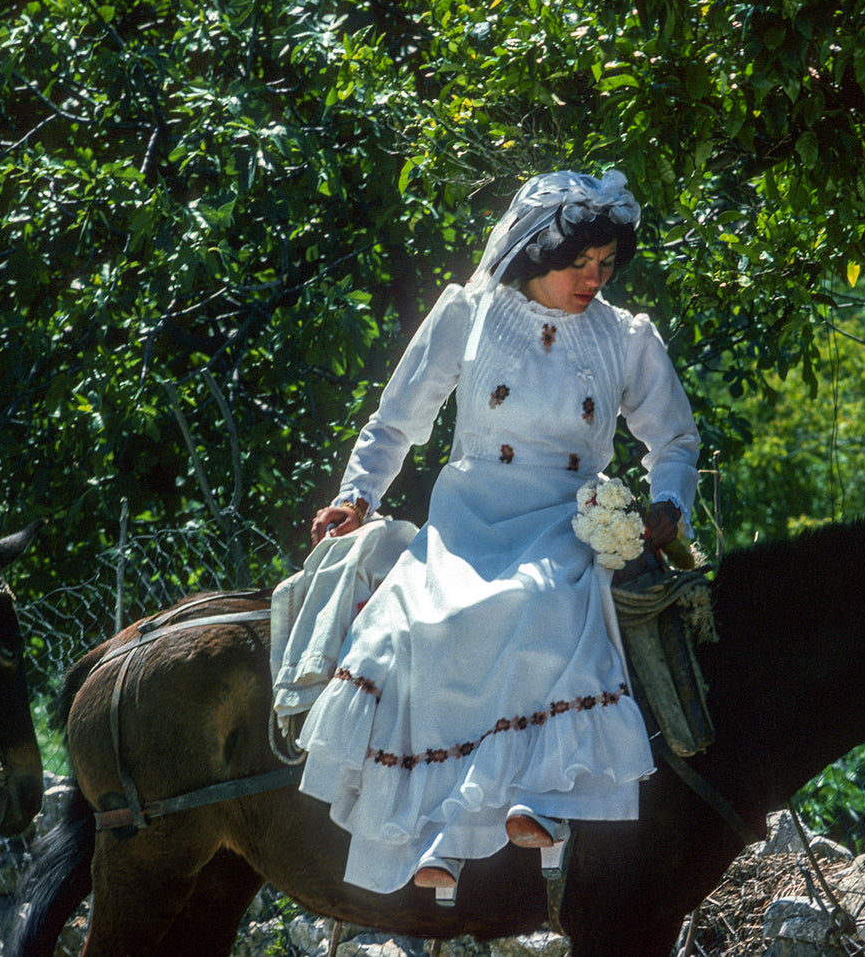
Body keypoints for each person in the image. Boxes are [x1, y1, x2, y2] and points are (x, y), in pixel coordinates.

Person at [293, 170, 701, 896]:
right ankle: (429, 835)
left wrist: (668, 499)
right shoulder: (469, 315)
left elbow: (672, 440)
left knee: (543, 599)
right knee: (412, 626)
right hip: (468, 514)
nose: (592, 277)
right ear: (539, 251)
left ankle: (532, 800)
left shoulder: (626, 337)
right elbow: (398, 420)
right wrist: (356, 496)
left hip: (563, 515)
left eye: (605, 265)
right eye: (579, 262)